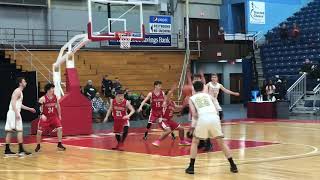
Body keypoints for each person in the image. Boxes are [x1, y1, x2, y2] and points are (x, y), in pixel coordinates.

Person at [185, 81, 238, 174]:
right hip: (214, 118)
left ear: (193, 88)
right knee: (221, 143)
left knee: (195, 142)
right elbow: (217, 110)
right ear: (202, 88)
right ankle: (233, 165)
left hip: (203, 118)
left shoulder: (192, 98)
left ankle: (191, 167)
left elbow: (194, 114)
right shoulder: (208, 96)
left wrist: (193, 127)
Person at [4, 77, 36, 156]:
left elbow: (19, 104)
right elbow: (13, 102)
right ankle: (21, 150)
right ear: (20, 83)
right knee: (20, 130)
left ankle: (7, 150)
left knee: (9, 131)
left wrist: (29, 109)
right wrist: (17, 113)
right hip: (14, 113)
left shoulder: (19, 92)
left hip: (12, 112)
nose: (26, 83)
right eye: (24, 81)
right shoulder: (18, 91)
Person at [35, 83, 66, 152]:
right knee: (39, 131)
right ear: (48, 90)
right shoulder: (43, 98)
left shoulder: (55, 97)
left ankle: (59, 144)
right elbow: (37, 107)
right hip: (45, 117)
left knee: (60, 128)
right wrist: (41, 114)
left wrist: (60, 115)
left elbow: (58, 106)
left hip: (53, 116)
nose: (53, 89)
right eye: (52, 88)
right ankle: (38, 145)